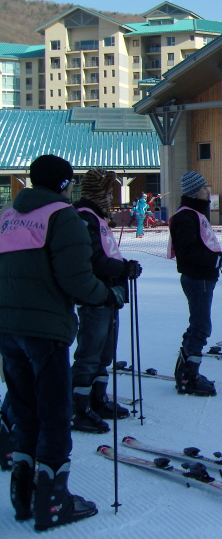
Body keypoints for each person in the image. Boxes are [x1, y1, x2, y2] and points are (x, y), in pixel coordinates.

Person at [0, 154, 124, 530]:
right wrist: (106, 294)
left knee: (24, 408)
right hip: (46, 328)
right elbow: (75, 277)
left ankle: (23, 492)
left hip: (8, 326)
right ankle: (53, 500)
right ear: (63, 184)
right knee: (55, 413)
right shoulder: (62, 216)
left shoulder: (8, 215)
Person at [71, 168, 143, 433]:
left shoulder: (97, 217)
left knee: (105, 353)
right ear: (97, 191)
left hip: (111, 293)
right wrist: (122, 269)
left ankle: (97, 398)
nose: (111, 195)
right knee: (90, 353)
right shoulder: (84, 217)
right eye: (108, 190)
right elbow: (93, 259)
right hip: (95, 294)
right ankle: (78, 406)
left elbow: (108, 254)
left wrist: (125, 266)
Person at [168, 171, 222, 396]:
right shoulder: (185, 216)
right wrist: (218, 260)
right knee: (201, 326)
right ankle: (189, 375)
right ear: (193, 191)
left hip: (204, 276)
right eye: (204, 188)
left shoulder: (195, 214)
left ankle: (185, 370)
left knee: (197, 325)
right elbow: (188, 251)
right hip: (197, 278)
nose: (208, 192)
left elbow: (203, 246)